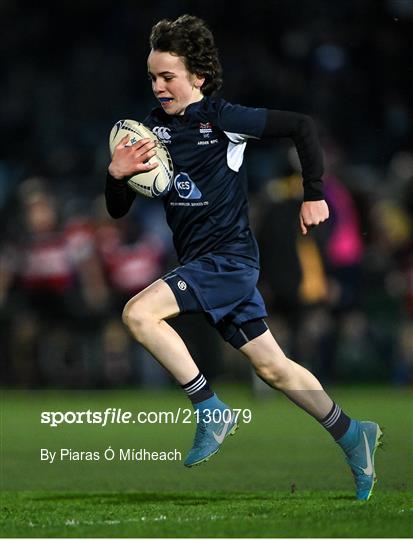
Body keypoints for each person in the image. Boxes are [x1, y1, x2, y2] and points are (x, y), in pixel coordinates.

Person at [105, 14, 382, 500]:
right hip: (205, 264)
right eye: (152, 76)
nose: (158, 85)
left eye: (168, 76)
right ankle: (353, 432)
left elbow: (302, 127)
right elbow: (117, 207)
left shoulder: (223, 119)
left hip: (227, 261)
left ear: (199, 77)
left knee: (138, 313)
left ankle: (210, 408)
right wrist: (117, 174)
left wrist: (313, 193)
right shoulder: (148, 129)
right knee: (274, 369)